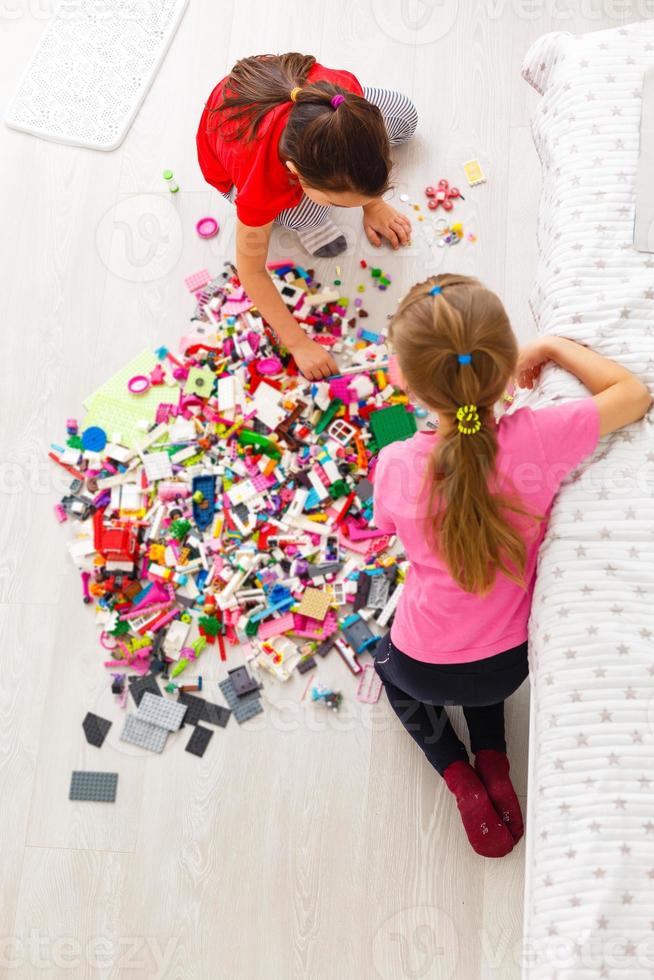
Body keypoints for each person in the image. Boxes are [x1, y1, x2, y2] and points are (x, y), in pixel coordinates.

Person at [372, 273, 651, 857]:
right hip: (507, 665)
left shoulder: (397, 463)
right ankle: (494, 754)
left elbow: (387, 532)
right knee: (480, 676)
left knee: (389, 669)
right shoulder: (541, 436)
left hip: (424, 661)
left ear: (413, 387)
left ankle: (457, 772)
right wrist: (550, 347)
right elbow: (633, 394)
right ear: (502, 366)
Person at [196, 53, 417, 380]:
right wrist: (298, 343)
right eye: (343, 203)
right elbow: (251, 271)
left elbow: (369, 150)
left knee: (404, 117)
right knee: (310, 211)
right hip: (234, 161)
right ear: (295, 173)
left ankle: (346, 191)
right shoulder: (262, 183)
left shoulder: (347, 103)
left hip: (296, 106)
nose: (350, 210)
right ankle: (309, 217)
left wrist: (373, 203)